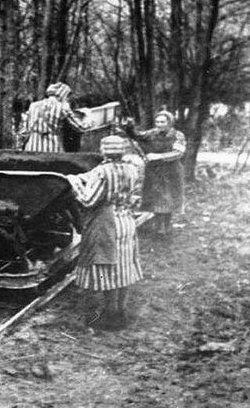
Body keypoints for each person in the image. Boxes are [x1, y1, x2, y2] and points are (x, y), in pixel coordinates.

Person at [65, 135, 143, 329]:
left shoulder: (103, 171)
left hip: (106, 223)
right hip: (126, 221)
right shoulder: (131, 169)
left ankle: (109, 314)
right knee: (124, 266)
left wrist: (73, 183)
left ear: (103, 152)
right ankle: (120, 311)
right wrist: (83, 177)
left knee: (106, 267)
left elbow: (88, 200)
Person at [125, 110, 186, 237]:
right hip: (155, 171)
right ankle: (159, 228)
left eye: (162, 122)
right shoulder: (152, 133)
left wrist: (158, 156)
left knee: (168, 198)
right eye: (157, 122)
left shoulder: (177, 135)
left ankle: (167, 226)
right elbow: (138, 136)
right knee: (157, 198)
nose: (159, 124)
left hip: (171, 171)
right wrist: (130, 127)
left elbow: (178, 153)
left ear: (169, 122)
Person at [21, 82, 89, 152]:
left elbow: (24, 131)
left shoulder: (33, 106)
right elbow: (80, 127)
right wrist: (87, 117)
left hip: (32, 149)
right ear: (63, 95)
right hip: (51, 149)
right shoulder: (62, 107)